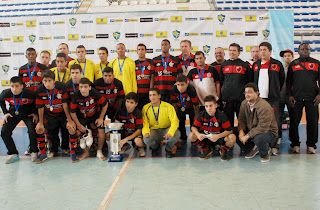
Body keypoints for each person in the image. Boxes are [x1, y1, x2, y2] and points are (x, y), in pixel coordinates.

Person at [35, 70, 77, 163]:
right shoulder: (40, 90)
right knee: (39, 129)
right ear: (42, 81)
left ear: (54, 81)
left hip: (62, 114)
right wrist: (40, 122)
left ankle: (72, 153)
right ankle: (43, 153)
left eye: (50, 81)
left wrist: (69, 120)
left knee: (71, 128)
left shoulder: (61, 87)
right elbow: (40, 107)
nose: (47, 83)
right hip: (49, 116)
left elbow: (65, 104)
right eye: (45, 81)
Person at [286, 43, 320, 154]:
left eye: (307, 49)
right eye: (303, 49)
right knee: (294, 122)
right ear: (298, 51)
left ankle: (311, 145)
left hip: (312, 98)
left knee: (313, 122)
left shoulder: (316, 63)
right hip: (296, 98)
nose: (305, 50)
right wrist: (290, 95)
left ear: (310, 50)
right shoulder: (293, 64)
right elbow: (288, 82)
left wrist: (319, 95)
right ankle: (295, 144)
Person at [252, 42, 285, 155]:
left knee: (274, 122)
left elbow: (281, 80)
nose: (262, 52)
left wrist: (275, 92)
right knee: (258, 122)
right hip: (259, 100)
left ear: (270, 51)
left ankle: (275, 145)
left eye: (265, 49)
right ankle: (260, 145)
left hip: (273, 99)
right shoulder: (256, 65)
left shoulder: (277, 64)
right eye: (260, 49)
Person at [0, 77, 39, 163]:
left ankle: (33, 151)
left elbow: (37, 103)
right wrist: (5, 113)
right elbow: (1, 101)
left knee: (32, 130)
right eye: (12, 86)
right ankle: (13, 153)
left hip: (28, 113)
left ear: (22, 86)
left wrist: (35, 113)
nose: (14, 89)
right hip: (13, 113)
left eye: (17, 86)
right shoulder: (5, 93)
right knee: (4, 132)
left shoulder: (30, 94)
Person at [70, 78, 108, 161]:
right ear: (78, 88)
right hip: (81, 116)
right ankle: (85, 152)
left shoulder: (94, 92)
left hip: (95, 115)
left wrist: (101, 118)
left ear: (90, 87)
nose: (83, 89)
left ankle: (99, 151)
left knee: (101, 128)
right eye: (81, 87)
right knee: (76, 131)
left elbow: (105, 104)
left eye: (85, 87)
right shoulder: (76, 95)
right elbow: (72, 112)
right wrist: (79, 125)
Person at [238, 83, 278, 163]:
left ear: (257, 93)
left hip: (268, 132)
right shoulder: (244, 103)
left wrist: (247, 136)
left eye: (249, 92)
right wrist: (241, 132)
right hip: (253, 129)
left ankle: (265, 152)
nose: (247, 95)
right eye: (245, 92)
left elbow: (262, 128)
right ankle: (254, 148)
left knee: (259, 138)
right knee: (234, 133)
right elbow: (241, 120)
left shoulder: (264, 106)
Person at [189, 95, 236, 160]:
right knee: (191, 135)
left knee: (232, 137)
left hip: (219, 138)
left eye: (211, 106)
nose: (209, 108)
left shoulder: (221, 115)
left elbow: (229, 131)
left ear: (216, 105)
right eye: (206, 106)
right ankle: (206, 149)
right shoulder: (202, 114)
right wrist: (198, 134)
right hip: (206, 137)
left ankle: (223, 150)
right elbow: (193, 127)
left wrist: (218, 136)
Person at [220, 43, 252, 127]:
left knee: (242, 121)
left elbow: (249, 82)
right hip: (227, 100)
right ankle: (229, 139)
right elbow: (221, 82)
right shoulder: (224, 65)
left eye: (234, 50)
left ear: (239, 52)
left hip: (240, 100)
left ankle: (241, 139)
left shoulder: (244, 65)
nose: (232, 52)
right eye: (230, 50)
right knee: (227, 123)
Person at [142, 88, 180, 158]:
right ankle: (155, 147)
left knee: (176, 134)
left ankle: (168, 149)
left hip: (166, 130)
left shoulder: (168, 106)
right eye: (150, 95)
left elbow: (175, 121)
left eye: (154, 95)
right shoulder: (145, 108)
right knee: (146, 139)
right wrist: (146, 132)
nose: (152, 97)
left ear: (159, 96)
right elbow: (145, 123)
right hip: (154, 131)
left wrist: (170, 132)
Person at [106, 92, 145, 157]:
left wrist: (126, 139)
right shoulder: (121, 111)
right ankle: (125, 146)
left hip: (134, 134)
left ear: (136, 104)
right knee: (107, 135)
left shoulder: (138, 113)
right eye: (127, 101)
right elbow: (116, 126)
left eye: (131, 102)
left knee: (138, 141)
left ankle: (141, 148)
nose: (128, 104)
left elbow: (139, 131)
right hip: (124, 133)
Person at [170, 75, 199, 144]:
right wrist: (175, 114)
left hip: (191, 107)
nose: (180, 87)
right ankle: (183, 138)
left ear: (187, 83)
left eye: (182, 85)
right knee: (180, 123)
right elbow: (174, 103)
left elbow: (195, 104)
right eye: (178, 85)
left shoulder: (191, 89)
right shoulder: (173, 89)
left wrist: (196, 115)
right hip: (180, 107)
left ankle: (194, 139)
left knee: (193, 123)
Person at [278, 49, 294, 146]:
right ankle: (279, 136)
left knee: (293, 116)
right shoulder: (281, 67)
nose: (287, 57)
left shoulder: (296, 67)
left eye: (288, 55)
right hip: (281, 94)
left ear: (292, 57)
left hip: (292, 95)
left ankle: (292, 137)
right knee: (278, 115)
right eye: (285, 56)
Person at [135, 43, 155, 110]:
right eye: (139, 49)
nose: (141, 51)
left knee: (148, 111)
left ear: (145, 51)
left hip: (147, 93)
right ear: (137, 52)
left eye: (142, 49)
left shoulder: (151, 62)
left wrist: (151, 91)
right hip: (138, 93)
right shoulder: (134, 63)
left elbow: (152, 76)